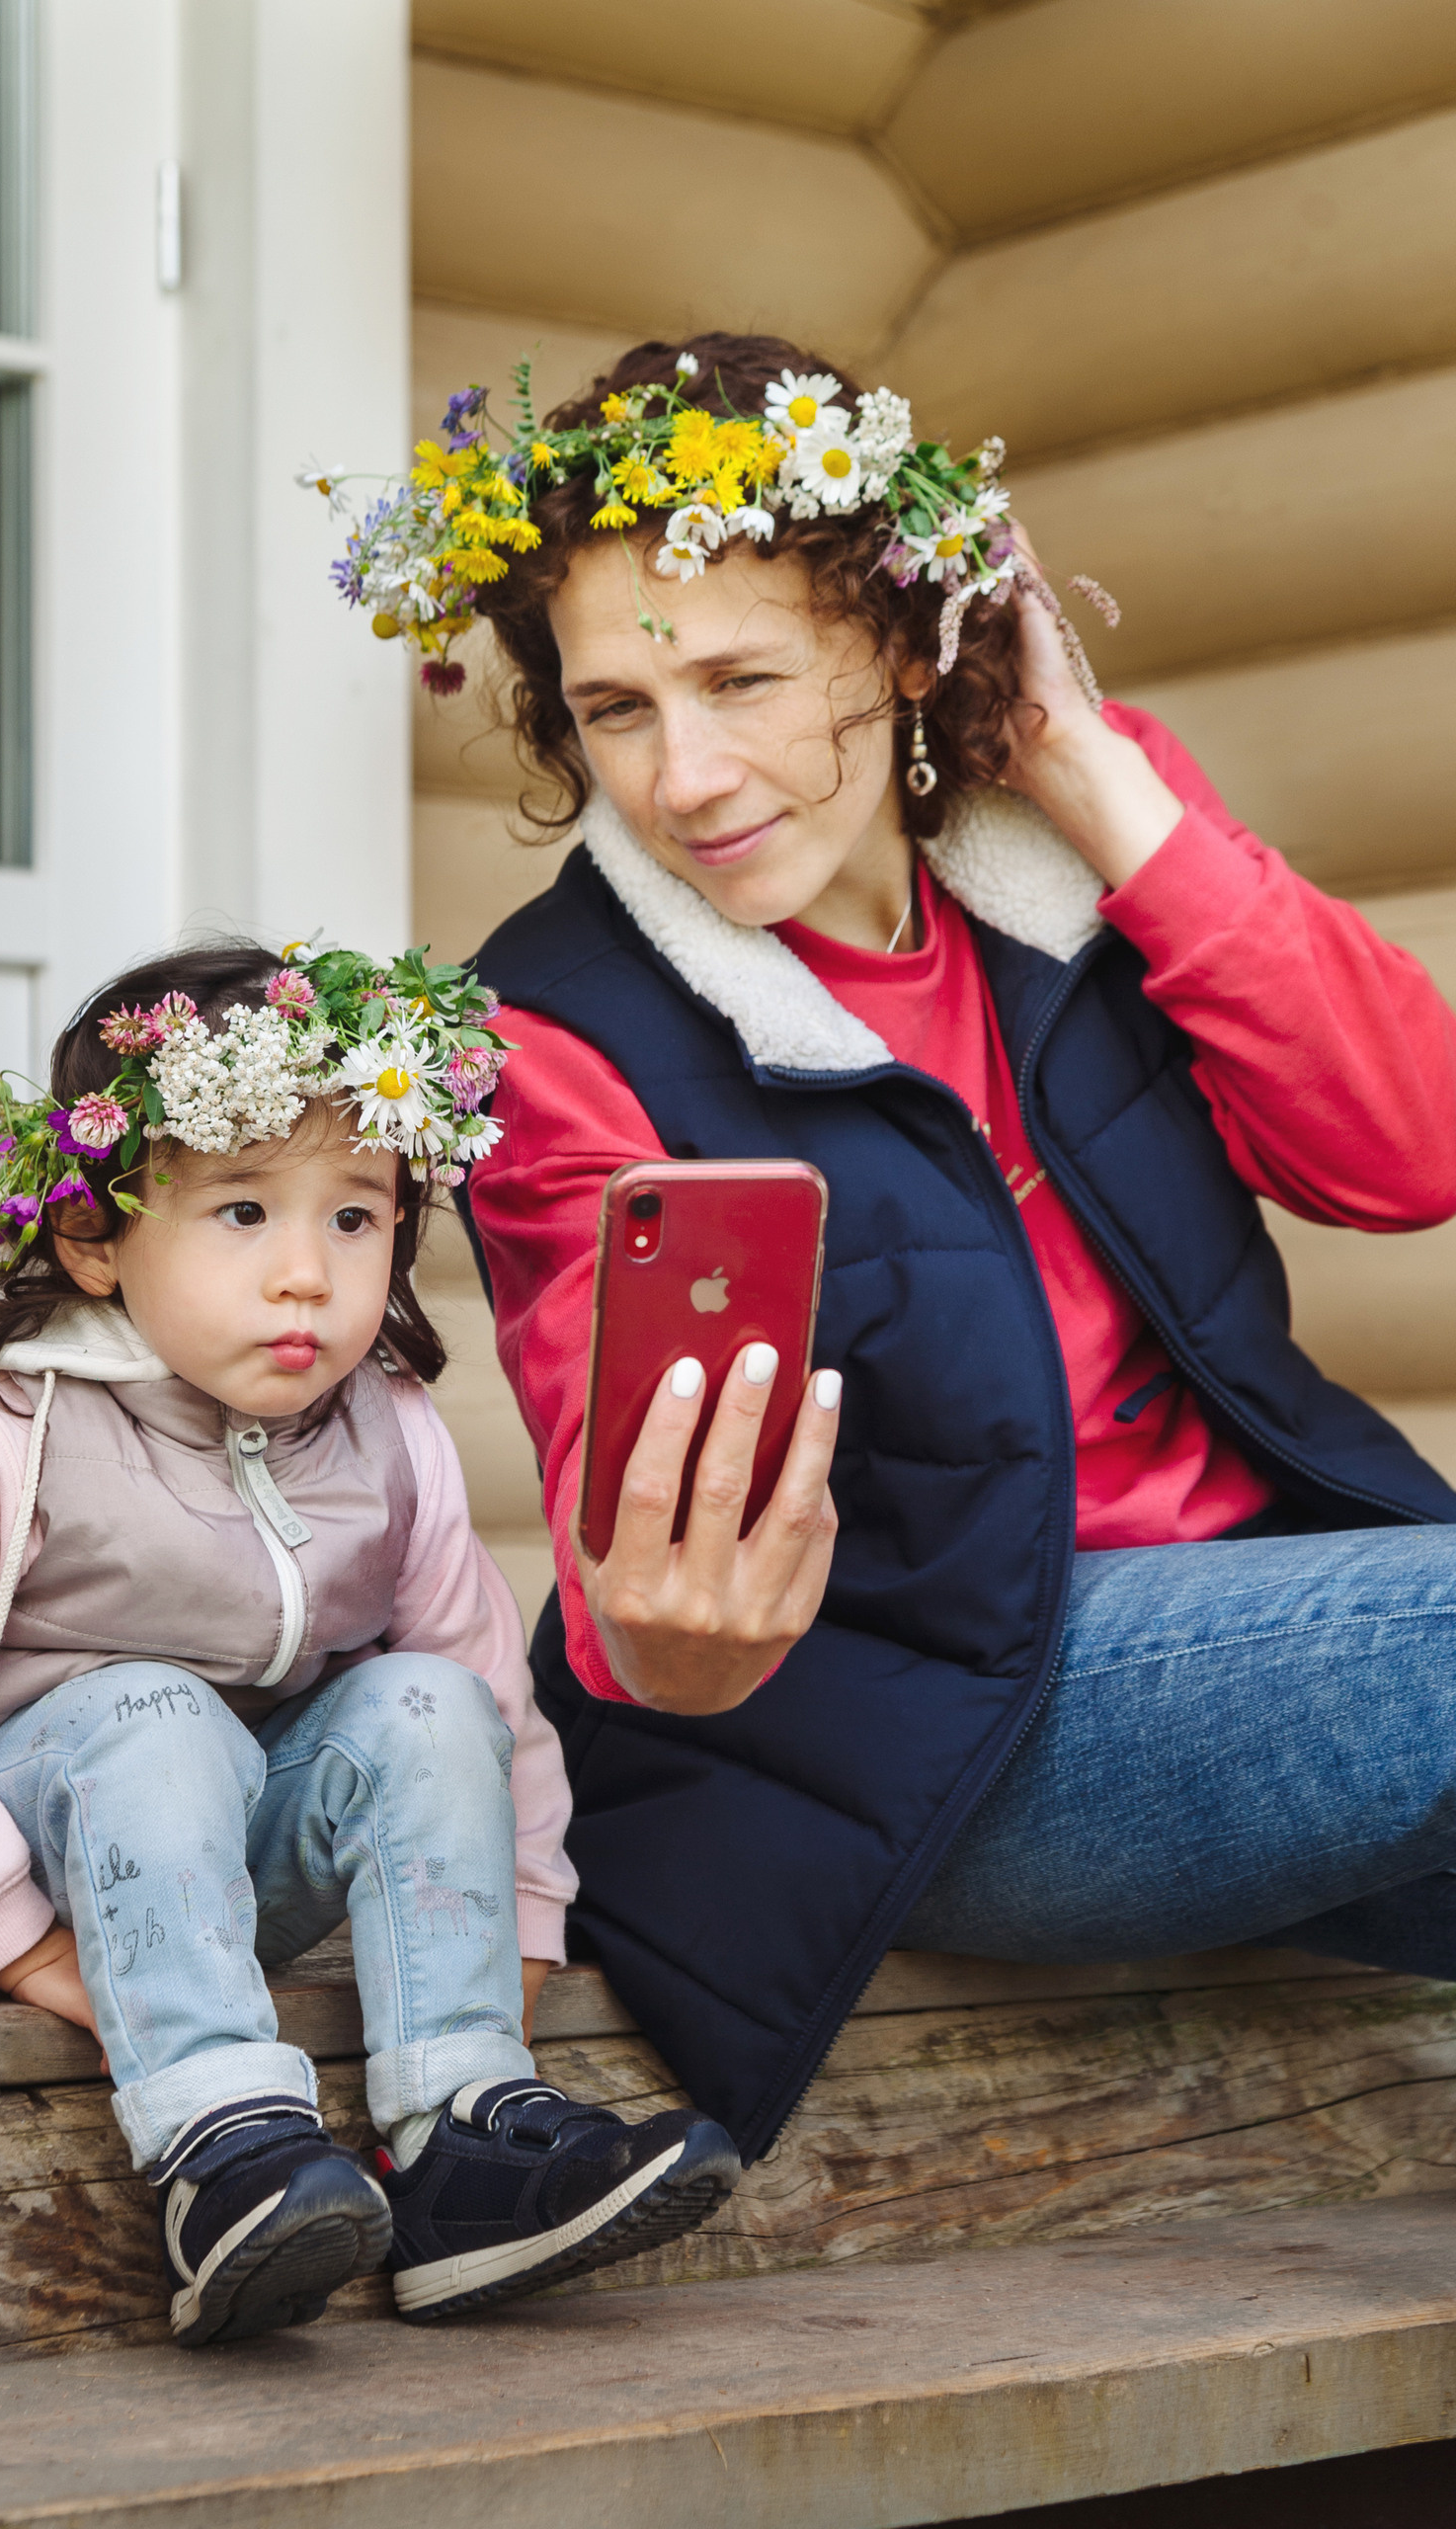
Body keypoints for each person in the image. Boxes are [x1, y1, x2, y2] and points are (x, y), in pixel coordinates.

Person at [322, 331, 1456, 2165]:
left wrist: (1089, 772)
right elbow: (644, 1568)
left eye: (746, 679)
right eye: (618, 708)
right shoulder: (554, 1035)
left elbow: (1409, 1151)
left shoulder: (1077, 855)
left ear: (911, 646)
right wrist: (662, 1639)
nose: (686, 777)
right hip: (928, 1732)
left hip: (1283, 1651)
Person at [0, 938, 737, 2345]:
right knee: (152, 1709)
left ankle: (465, 2139)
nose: (307, 1277)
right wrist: (30, 1952)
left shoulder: (387, 1429)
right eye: (241, 1211)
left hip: (224, 1840)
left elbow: (484, 1696)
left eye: (355, 1220)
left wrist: (512, 1941)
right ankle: (220, 2148)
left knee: (419, 1700)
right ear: (93, 1238)